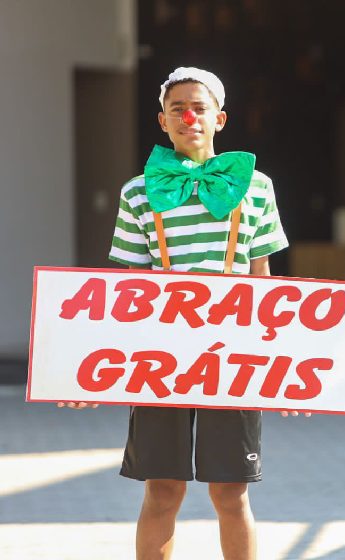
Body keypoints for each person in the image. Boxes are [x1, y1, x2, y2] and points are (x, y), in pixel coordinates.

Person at [61, 66, 303, 560]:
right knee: (163, 489)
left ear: (220, 119)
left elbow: (263, 281)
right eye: (178, 109)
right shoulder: (137, 193)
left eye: (200, 108)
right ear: (162, 121)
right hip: (160, 357)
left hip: (232, 357)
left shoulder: (257, 188)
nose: (189, 117)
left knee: (231, 492)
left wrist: (282, 368)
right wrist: (87, 374)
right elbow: (124, 291)